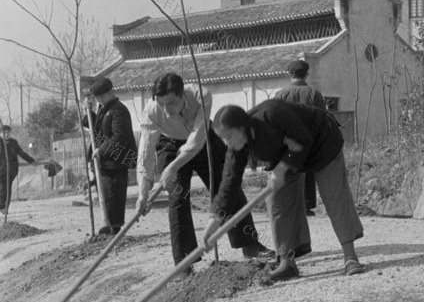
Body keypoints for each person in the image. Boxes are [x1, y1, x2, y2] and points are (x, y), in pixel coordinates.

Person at [209, 100, 366, 281]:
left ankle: (350, 257)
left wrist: (282, 167)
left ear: (241, 127)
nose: (225, 143)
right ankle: (287, 262)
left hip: (322, 143)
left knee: (334, 196)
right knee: (277, 200)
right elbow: (229, 182)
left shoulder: (271, 114)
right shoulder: (236, 148)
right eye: (222, 138)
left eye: (228, 137)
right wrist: (215, 218)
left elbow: (302, 139)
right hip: (290, 154)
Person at [135, 73, 273, 273]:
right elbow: (145, 156)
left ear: (183, 95)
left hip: (204, 140)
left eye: (171, 103)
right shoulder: (151, 112)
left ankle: (250, 244)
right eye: (161, 104)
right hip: (170, 145)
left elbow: (196, 141)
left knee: (226, 187)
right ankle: (184, 262)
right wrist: (142, 194)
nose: (166, 111)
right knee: (177, 199)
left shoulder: (201, 94)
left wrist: (172, 168)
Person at [83, 77, 137, 236]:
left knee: (114, 195)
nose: (99, 100)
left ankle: (114, 228)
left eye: (101, 96)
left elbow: (119, 136)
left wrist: (101, 150)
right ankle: (108, 227)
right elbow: (97, 131)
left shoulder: (119, 110)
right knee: (105, 195)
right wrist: (88, 113)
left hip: (116, 161)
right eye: (97, 97)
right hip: (105, 162)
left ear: (110, 92)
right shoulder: (104, 109)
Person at [275, 60, 328, 217]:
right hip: (309, 142)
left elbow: (275, 120)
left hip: (288, 143)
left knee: (289, 173)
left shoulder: (281, 94)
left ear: (290, 74)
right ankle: (306, 205)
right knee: (307, 172)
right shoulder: (314, 94)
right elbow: (323, 119)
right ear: (307, 74)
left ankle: (290, 206)